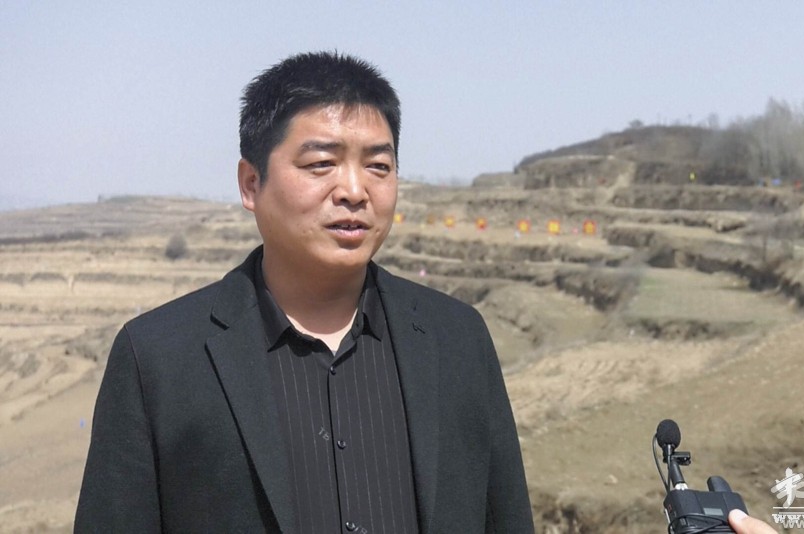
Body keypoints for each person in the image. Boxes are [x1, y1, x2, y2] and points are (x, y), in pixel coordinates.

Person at [75, 52, 533, 533]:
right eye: (321, 164)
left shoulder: (458, 339)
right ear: (251, 183)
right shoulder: (158, 359)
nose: (354, 190)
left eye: (378, 166)